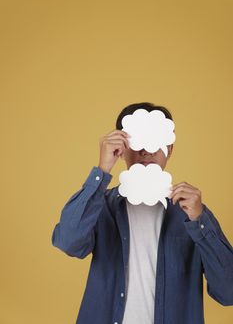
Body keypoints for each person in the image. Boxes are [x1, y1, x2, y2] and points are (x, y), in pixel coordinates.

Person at [51, 102, 233, 324]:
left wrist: (200, 221)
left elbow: (229, 291)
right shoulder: (102, 206)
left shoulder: (192, 214)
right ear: (122, 148)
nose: (146, 151)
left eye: (155, 141)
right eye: (137, 141)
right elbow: (68, 241)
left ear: (170, 149)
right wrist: (101, 171)